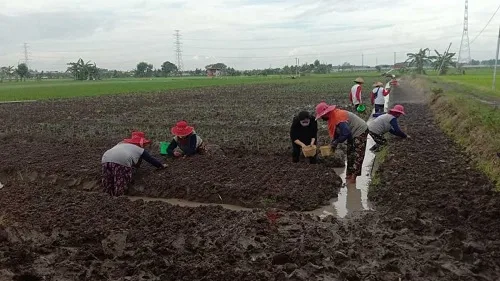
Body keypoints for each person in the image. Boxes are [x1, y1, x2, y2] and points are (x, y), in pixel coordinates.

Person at [315, 102, 368, 184]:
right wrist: (333, 144)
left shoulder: (338, 116)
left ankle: (354, 176)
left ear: (326, 113)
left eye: (322, 116)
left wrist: (336, 141)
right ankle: (349, 173)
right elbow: (337, 133)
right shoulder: (332, 117)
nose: (321, 118)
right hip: (351, 132)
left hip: (360, 130)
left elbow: (345, 133)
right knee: (350, 152)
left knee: (358, 154)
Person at [101, 131, 167, 196]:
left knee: (108, 181)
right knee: (120, 182)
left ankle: (107, 197)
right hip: (122, 159)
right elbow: (150, 159)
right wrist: (161, 165)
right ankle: (119, 198)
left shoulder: (120, 144)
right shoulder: (139, 149)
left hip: (106, 158)